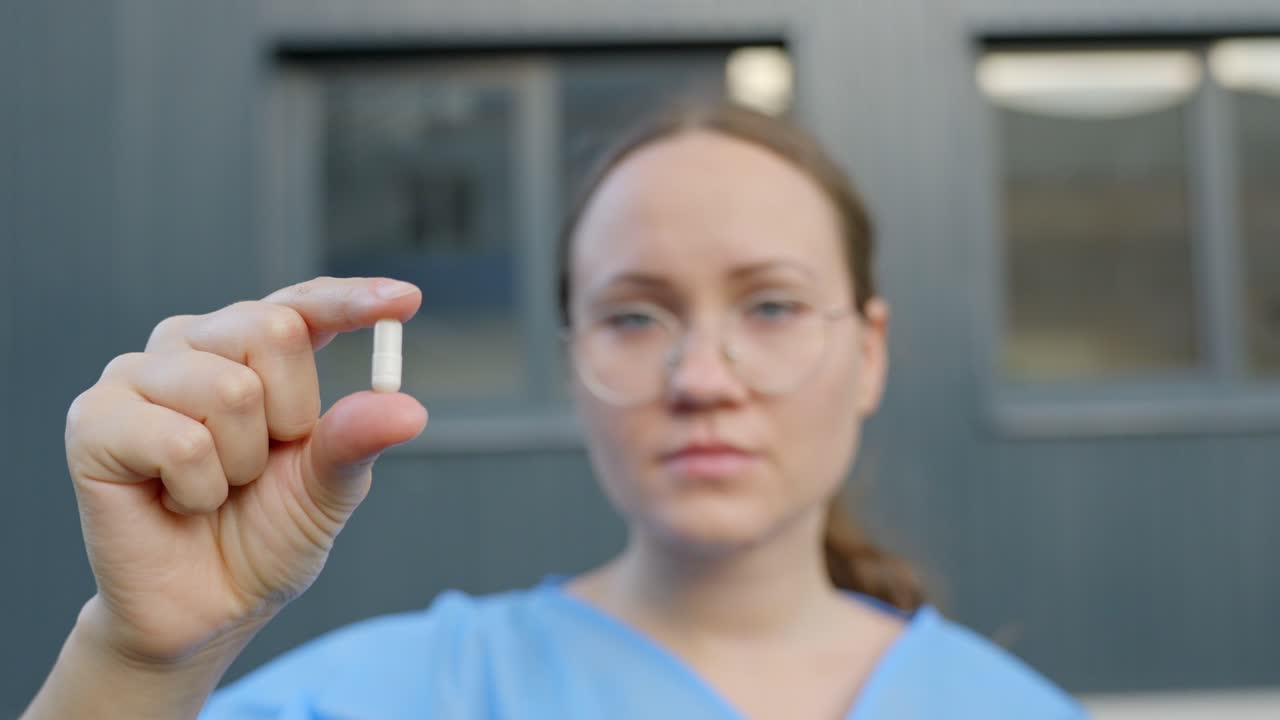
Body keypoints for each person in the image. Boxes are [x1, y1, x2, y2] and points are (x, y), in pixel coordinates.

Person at [24, 102, 1086, 719]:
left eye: (770, 306)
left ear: (868, 353)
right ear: (575, 363)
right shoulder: (403, 697)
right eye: (633, 316)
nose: (700, 378)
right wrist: (137, 663)